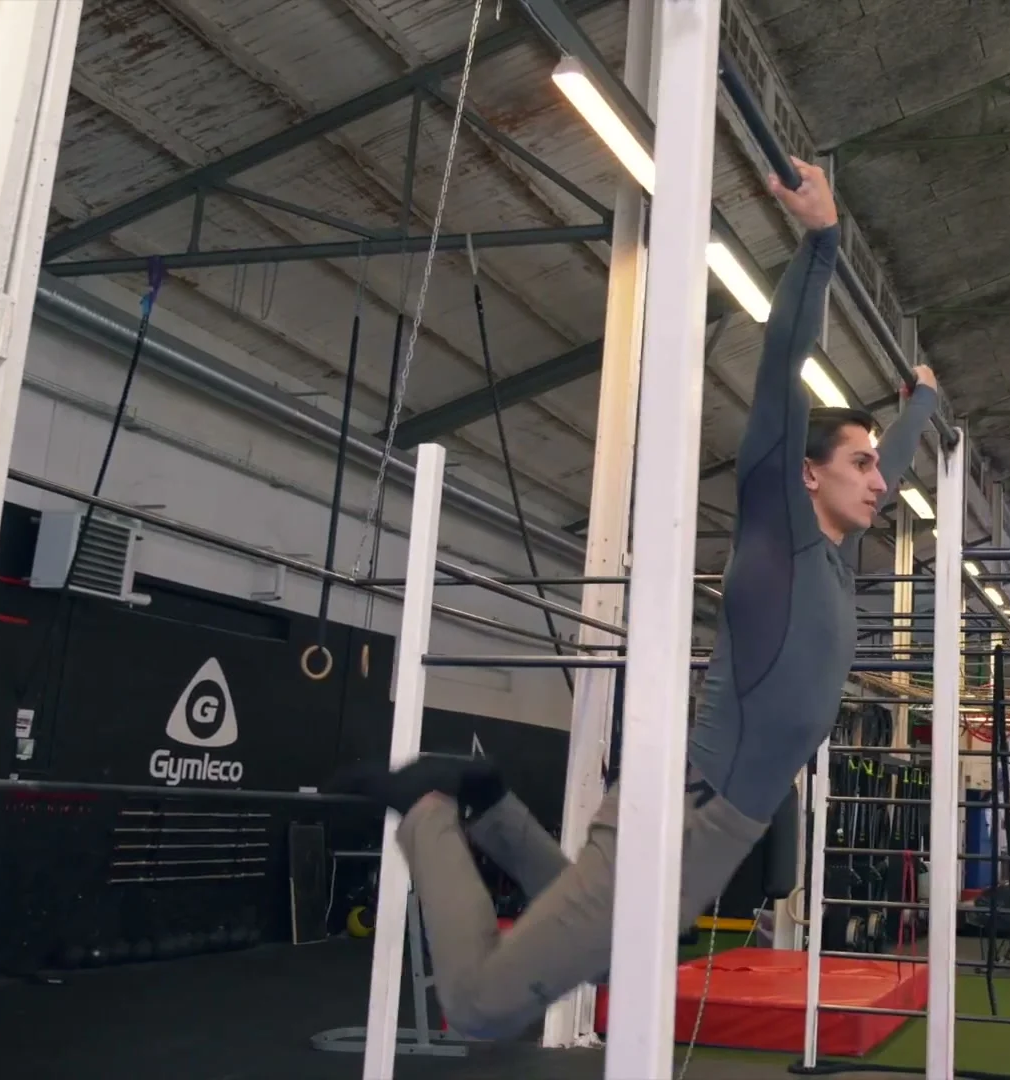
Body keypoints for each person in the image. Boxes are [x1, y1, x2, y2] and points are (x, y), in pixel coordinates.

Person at [332, 158, 942, 1039]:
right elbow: (781, 367)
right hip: (688, 817)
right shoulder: (782, 530)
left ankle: (492, 802)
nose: (878, 480)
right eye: (858, 462)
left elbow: (899, 464)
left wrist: (920, 404)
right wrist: (821, 241)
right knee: (478, 1006)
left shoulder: (842, 560)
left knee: (620, 952)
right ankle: (432, 810)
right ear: (806, 473)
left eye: (877, 466)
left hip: (714, 822)